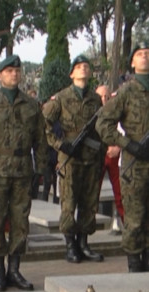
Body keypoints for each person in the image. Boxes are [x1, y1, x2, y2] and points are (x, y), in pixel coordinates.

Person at [0, 55, 47, 292]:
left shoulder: (32, 105)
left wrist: (41, 170)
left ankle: (14, 269)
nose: (14, 74)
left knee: (20, 221)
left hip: (23, 170)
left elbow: (41, 141)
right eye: (9, 71)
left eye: (17, 70)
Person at [43, 55, 105, 264]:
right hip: (69, 157)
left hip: (90, 157)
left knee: (89, 202)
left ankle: (84, 243)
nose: (83, 70)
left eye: (86, 67)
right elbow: (44, 124)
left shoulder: (95, 99)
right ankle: (70, 244)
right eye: (78, 67)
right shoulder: (61, 98)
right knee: (69, 202)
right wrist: (61, 144)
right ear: (72, 74)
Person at [96, 41, 149, 272]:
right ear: (132, 62)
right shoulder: (127, 91)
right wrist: (128, 144)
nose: (145, 57)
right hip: (135, 165)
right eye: (140, 54)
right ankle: (134, 266)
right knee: (134, 219)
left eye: (148, 53)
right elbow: (103, 123)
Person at [95, 85, 125, 229]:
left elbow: (124, 131)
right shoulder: (91, 112)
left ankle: (127, 226)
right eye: (101, 96)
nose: (104, 99)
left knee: (121, 194)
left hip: (114, 155)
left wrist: (118, 147)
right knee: (92, 194)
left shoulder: (117, 111)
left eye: (107, 96)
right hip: (96, 156)